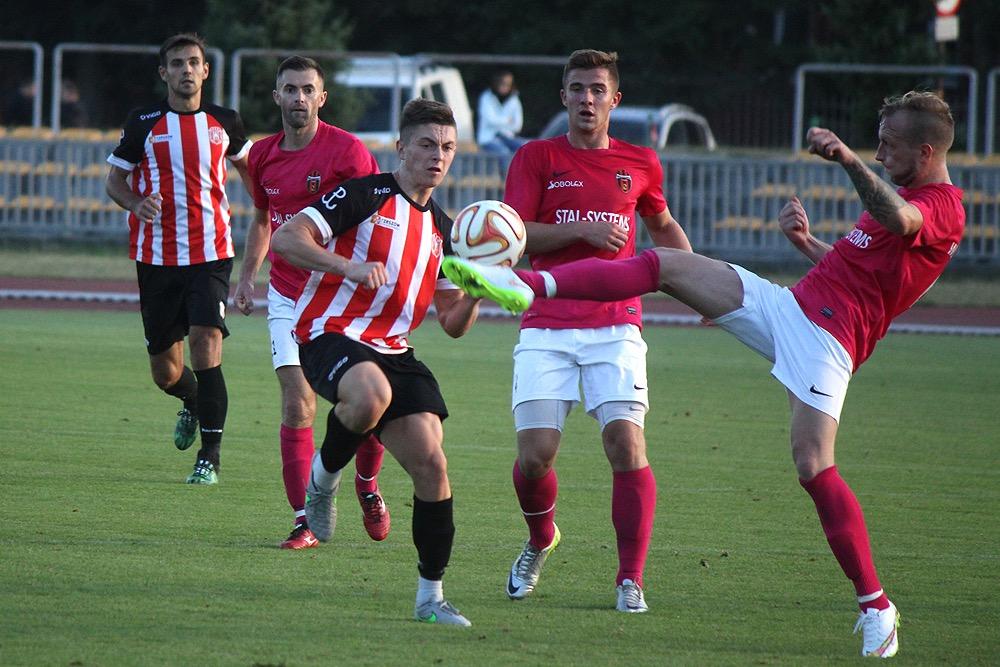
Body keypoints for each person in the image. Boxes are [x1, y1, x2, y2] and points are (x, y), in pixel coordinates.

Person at [443, 90, 965, 657]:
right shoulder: (905, 189)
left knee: (813, 465)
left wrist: (848, 160)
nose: (881, 152)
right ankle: (528, 286)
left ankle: (877, 608)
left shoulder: (939, 204)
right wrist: (807, 243)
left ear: (927, 149)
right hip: (791, 306)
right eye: (877, 144)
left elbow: (901, 221)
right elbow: (865, 272)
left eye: (890, 145)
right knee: (664, 265)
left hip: (827, 342)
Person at [271, 98, 483, 626]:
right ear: (402, 147)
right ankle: (323, 480)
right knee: (370, 395)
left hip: (395, 349)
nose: (438, 156)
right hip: (329, 332)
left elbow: (452, 324)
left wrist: (478, 293)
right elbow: (285, 237)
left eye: (448, 148)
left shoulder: (445, 229)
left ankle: (430, 599)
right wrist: (347, 265)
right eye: (428, 144)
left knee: (433, 466)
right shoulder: (364, 194)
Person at [495, 49, 692, 614]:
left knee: (626, 444)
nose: (586, 99)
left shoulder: (641, 161)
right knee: (536, 457)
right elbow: (516, 235)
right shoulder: (536, 157)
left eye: (596, 90)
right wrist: (578, 230)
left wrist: (704, 283)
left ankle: (630, 578)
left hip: (616, 324)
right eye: (577, 88)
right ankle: (540, 539)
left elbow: (663, 225)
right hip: (546, 320)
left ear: (614, 99)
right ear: (563, 97)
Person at [234, 56, 390, 550]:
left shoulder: (348, 152)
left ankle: (366, 484)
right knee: (297, 403)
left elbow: (379, 219)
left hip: (342, 298)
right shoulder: (261, 156)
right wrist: (246, 277)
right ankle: (305, 520)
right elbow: (264, 218)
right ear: (276, 96)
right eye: (290, 89)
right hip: (285, 296)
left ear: (322, 97)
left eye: (308, 89)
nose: (299, 97)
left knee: (362, 405)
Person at [105, 33, 252, 485]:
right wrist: (135, 203)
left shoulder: (225, 122)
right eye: (177, 63)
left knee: (207, 344)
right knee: (166, 373)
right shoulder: (143, 122)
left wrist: (275, 212)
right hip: (156, 259)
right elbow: (115, 182)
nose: (186, 70)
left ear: (206, 71)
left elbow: (255, 180)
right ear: (163, 72)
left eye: (194, 62)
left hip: (211, 254)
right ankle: (191, 399)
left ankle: (210, 456)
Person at [476, 70, 527, 156]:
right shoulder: (486, 97)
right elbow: (490, 120)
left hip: (507, 137)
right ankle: (506, 170)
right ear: (496, 83)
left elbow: (517, 126)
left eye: (508, 84)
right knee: (503, 152)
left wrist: (499, 122)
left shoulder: (514, 100)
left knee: (525, 147)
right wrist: (508, 120)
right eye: (503, 83)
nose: (505, 87)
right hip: (488, 138)